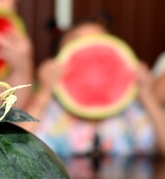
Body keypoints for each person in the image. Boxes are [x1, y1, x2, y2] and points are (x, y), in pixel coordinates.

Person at [23, 20, 165, 157]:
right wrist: (44, 91)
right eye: (77, 43)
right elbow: (17, 149)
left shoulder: (131, 114)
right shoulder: (49, 112)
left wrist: (147, 96)